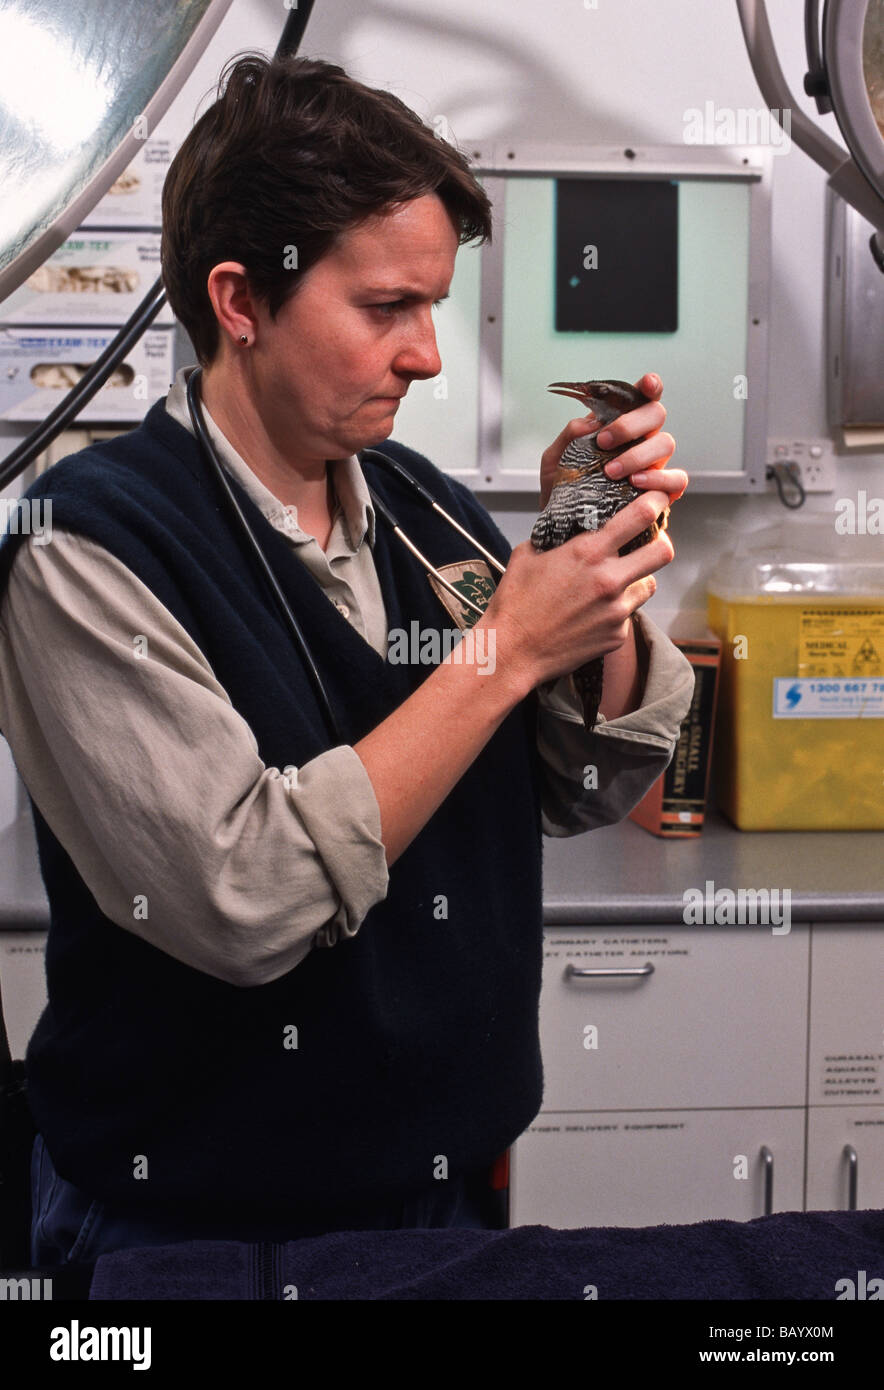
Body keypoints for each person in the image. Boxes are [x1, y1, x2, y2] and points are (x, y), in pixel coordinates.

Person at [0, 52, 693, 1271]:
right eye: (385, 308)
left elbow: (580, 784)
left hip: (440, 1203)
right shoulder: (88, 547)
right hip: (186, 1232)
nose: (426, 354)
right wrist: (506, 643)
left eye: (432, 305)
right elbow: (244, 894)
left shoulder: (427, 514)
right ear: (240, 300)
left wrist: (588, 560)